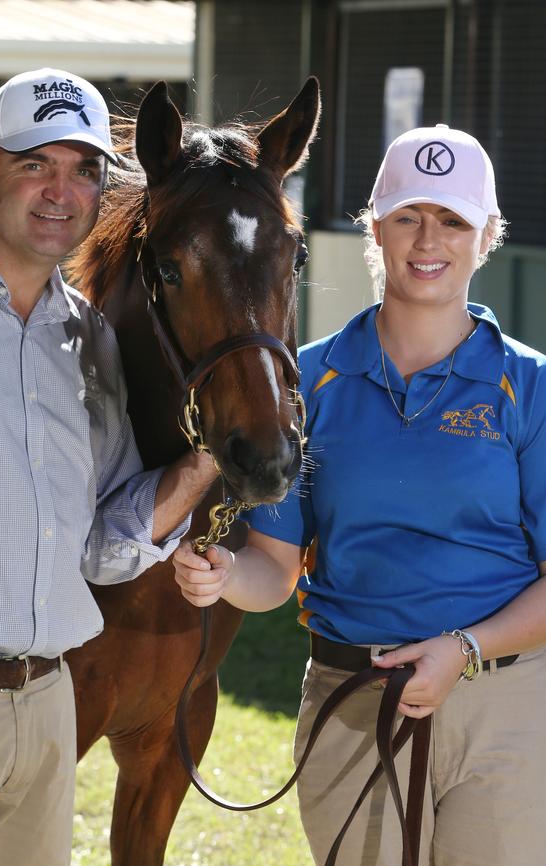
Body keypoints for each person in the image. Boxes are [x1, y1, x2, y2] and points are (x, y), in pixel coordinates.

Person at [174, 124, 546, 866]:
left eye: (452, 220)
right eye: (407, 215)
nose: (426, 239)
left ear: (487, 237)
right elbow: (275, 568)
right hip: (350, 702)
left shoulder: (530, 386)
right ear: (373, 228)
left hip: (505, 706)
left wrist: (463, 650)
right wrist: (221, 578)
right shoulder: (306, 381)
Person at [0, 68, 217, 866]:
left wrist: (211, 455)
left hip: (46, 708)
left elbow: (104, 541)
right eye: (35, 162)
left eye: (83, 169)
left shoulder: (90, 340)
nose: (60, 190)